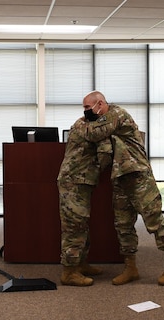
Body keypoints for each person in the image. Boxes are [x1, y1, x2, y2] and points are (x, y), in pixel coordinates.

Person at [80, 91, 164, 286]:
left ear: (100, 104)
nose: (85, 112)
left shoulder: (117, 114)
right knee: (123, 225)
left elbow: (93, 134)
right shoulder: (103, 119)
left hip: (138, 176)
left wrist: (82, 123)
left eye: (87, 107)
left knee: (153, 220)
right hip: (120, 177)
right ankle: (131, 267)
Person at [56, 118, 114, 286]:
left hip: (80, 181)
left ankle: (80, 263)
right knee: (74, 226)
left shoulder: (84, 123)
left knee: (81, 224)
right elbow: (105, 154)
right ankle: (69, 271)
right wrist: (98, 169)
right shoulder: (90, 126)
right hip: (74, 181)